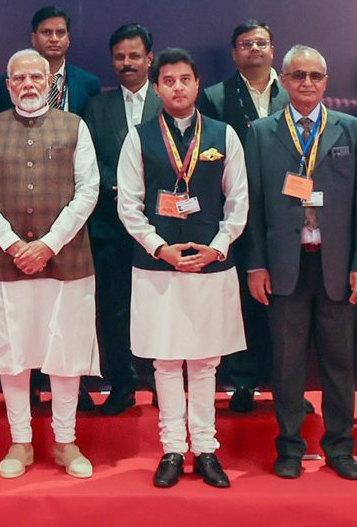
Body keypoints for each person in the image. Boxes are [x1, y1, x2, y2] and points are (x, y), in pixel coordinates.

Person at [0, 48, 101, 479]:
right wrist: (11, 244)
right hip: (2, 263)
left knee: (65, 354)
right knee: (13, 353)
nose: (27, 85)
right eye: (18, 78)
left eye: (35, 78)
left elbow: (88, 191)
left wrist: (47, 245)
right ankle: (20, 442)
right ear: (8, 86)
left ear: (50, 83)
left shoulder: (75, 126)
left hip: (66, 261)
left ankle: (65, 441)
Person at [244, 45, 357, 481]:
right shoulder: (261, 132)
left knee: (340, 364)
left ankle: (340, 448)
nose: (306, 83)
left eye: (315, 76)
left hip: (337, 266)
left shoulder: (352, 130)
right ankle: (289, 447)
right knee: (286, 363)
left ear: (326, 81)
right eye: (298, 75)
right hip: (285, 266)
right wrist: (256, 265)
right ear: (283, 80)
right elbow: (255, 207)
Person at [117, 48, 248, 488]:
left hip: (210, 264)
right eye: (169, 80)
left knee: (207, 361)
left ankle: (207, 449)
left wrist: (217, 247)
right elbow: (129, 206)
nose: (177, 87)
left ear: (196, 84)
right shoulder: (139, 136)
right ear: (157, 88)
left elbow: (239, 201)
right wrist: (160, 248)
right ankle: (173, 448)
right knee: (167, 362)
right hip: (157, 266)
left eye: (185, 79)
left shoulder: (223, 134)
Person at [197, 20, 287, 412]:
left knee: (289, 301)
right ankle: (244, 382)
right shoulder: (215, 97)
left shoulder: (294, 91)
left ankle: (288, 383)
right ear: (234, 53)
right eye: (246, 44)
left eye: (262, 42)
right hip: (236, 211)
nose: (255, 49)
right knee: (243, 302)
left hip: (288, 210)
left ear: (273, 49)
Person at [81, 24, 161, 416]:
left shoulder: (170, 100)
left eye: (134, 56)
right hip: (110, 226)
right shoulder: (97, 106)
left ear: (149, 58)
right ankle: (123, 383)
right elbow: (89, 160)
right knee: (113, 308)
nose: (127, 63)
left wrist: (145, 195)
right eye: (120, 57)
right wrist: (124, 190)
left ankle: (165, 383)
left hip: (164, 226)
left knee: (164, 304)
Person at [0, 5, 101, 115]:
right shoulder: (6, 83)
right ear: (33, 38)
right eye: (47, 32)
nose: (54, 39)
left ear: (68, 39)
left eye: (60, 33)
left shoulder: (88, 83)